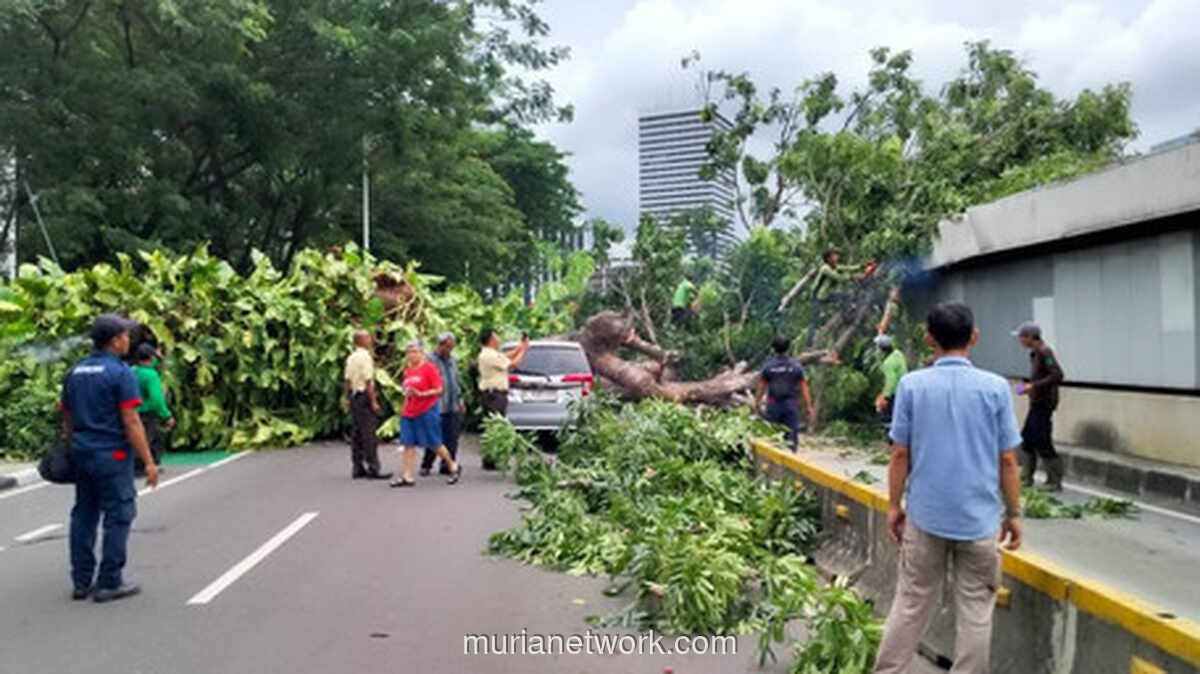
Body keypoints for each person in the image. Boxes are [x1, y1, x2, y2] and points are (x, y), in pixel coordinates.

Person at [873, 302, 1023, 674]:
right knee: (975, 611)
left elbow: (899, 454)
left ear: (928, 340)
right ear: (973, 338)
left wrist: (894, 506)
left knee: (910, 603)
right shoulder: (996, 389)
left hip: (925, 519)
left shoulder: (912, 386)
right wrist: (1014, 514)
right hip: (979, 521)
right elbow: (1007, 460)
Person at [59, 314, 160, 603]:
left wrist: (75, 441)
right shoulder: (120, 373)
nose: (129, 340)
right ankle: (109, 581)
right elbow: (131, 421)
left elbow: (67, 413)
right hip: (111, 454)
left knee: (84, 514)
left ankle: (81, 581)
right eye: (126, 335)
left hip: (82, 451)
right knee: (119, 514)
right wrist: (149, 462)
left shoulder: (75, 372)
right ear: (116, 341)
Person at [391, 340, 462, 487]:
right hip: (409, 412)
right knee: (407, 443)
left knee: (434, 442)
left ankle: (452, 465)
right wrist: (407, 402)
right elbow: (407, 391)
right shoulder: (408, 371)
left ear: (422, 353)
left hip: (427, 409)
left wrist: (421, 394)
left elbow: (439, 390)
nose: (412, 355)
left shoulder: (429, 369)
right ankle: (407, 476)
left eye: (415, 352)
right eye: (409, 352)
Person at [1013, 321, 1065, 491]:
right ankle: (1026, 477)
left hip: (1044, 403)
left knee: (1042, 440)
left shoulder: (1045, 352)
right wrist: (1028, 385)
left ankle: (1054, 481)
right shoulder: (1035, 353)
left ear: (1030, 336)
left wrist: (1034, 386)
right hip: (1036, 402)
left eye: (1021, 337)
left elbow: (1057, 374)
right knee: (1027, 438)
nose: (1020, 340)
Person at [477, 328, 531, 469]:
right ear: (490, 340)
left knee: (495, 426)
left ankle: (491, 458)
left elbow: (507, 357)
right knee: (495, 426)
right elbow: (512, 364)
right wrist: (524, 351)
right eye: (496, 337)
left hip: (494, 394)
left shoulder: (492, 354)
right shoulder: (488, 355)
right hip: (493, 395)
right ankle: (490, 459)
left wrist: (520, 347)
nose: (499, 340)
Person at [753, 335, 815, 452]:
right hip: (790, 406)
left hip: (772, 406)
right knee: (790, 440)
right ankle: (789, 465)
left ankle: (773, 466)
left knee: (772, 438)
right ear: (788, 348)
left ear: (774, 348)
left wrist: (756, 403)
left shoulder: (768, 366)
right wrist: (809, 407)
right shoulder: (796, 366)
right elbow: (804, 388)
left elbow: (761, 387)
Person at [344, 331, 391, 480]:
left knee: (357, 432)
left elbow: (347, 380)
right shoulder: (365, 357)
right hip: (364, 396)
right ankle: (373, 467)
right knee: (369, 433)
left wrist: (348, 398)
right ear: (362, 340)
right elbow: (368, 381)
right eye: (369, 337)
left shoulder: (351, 357)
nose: (371, 340)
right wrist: (373, 401)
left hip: (354, 396)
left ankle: (357, 467)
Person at [806, 250, 873, 346]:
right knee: (815, 320)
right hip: (817, 297)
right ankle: (809, 342)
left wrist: (863, 265)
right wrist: (854, 277)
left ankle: (846, 315)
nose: (837, 257)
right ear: (829, 259)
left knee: (846, 297)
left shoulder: (835, 267)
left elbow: (849, 268)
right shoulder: (825, 269)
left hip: (825, 295)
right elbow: (838, 278)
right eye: (834, 256)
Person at [421, 332, 465, 477]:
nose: (449, 350)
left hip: (453, 403)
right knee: (434, 437)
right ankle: (426, 464)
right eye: (447, 347)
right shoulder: (429, 361)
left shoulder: (453, 360)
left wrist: (460, 400)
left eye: (451, 347)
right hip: (436, 405)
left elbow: (456, 381)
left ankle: (447, 465)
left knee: (452, 437)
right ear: (440, 345)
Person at [132, 343, 174, 473]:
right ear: (151, 358)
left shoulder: (131, 371)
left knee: (134, 438)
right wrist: (166, 415)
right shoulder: (151, 375)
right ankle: (148, 465)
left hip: (131, 412)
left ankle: (134, 465)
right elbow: (157, 399)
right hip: (146, 413)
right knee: (151, 439)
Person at [874, 335, 908, 437]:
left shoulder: (888, 363)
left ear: (881, 349)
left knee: (888, 417)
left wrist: (885, 397)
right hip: (903, 390)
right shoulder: (898, 354)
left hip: (894, 393)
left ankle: (891, 439)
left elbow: (891, 381)